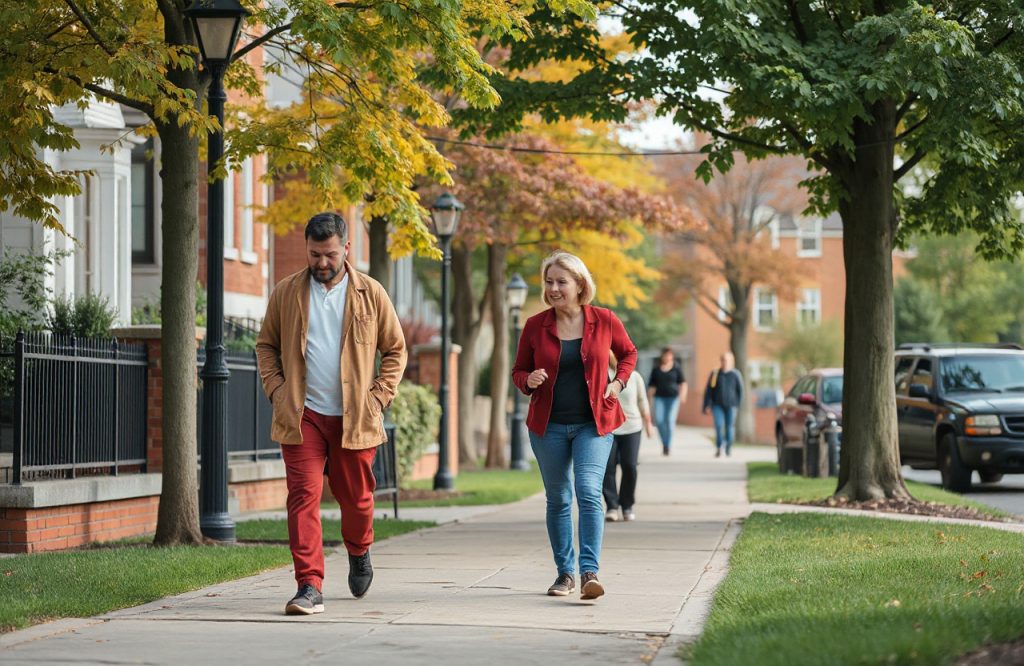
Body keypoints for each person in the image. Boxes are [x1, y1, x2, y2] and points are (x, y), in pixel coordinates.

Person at [256, 212, 407, 616]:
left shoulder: (371, 293)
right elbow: (265, 346)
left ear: (346, 249)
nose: (322, 262)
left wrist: (378, 396)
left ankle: (359, 550)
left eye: (329, 254)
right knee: (303, 497)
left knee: (356, 500)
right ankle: (308, 585)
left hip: (355, 417)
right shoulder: (286, 292)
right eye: (314, 254)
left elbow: (395, 349)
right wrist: (276, 388)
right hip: (302, 415)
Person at [512, 251, 638, 601]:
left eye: (561, 282)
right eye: (549, 281)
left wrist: (618, 383)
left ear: (580, 284)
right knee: (559, 498)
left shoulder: (604, 319)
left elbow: (629, 354)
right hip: (548, 426)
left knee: (587, 490)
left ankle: (589, 573)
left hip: (594, 424)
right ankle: (564, 574)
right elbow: (518, 371)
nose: (553, 288)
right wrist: (530, 380)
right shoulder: (536, 326)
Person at [603, 353, 652, 523]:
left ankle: (627, 505)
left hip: (632, 427)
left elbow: (642, 400)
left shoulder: (635, 376)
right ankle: (612, 506)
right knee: (608, 468)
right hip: (609, 428)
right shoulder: (604, 375)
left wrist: (648, 423)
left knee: (630, 466)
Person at [702, 352, 743, 457]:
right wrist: (707, 405)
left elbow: (740, 391)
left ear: (731, 361)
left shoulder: (735, 374)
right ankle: (719, 447)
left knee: (729, 427)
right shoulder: (715, 374)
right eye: (723, 360)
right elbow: (709, 390)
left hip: (731, 405)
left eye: (727, 360)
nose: (725, 362)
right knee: (719, 426)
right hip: (717, 405)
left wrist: (738, 404)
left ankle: (728, 446)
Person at [647, 347, 687, 455]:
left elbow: (683, 383)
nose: (667, 357)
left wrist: (682, 395)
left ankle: (667, 445)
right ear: (662, 356)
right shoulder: (656, 369)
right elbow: (651, 386)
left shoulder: (676, 368)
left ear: (672, 356)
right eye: (665, 355)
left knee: (669, 421)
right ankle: (664, 443)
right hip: (659, 398)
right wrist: (649, 400)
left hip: (673, 398)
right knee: (659, 421)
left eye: (669, 355)